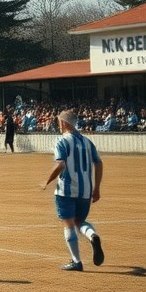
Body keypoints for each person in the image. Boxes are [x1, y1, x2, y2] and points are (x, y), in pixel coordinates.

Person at [39, 110, 105, 271]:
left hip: (66, 191)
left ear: (64, 123)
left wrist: (46, 181)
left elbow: (60, 164)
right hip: (85, 191)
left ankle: (76, 261)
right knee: (79, 222)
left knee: (68, 224)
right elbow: (99, 163)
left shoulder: (61, 141)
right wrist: (96, 188)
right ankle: (92, 236)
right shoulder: (87, 142)